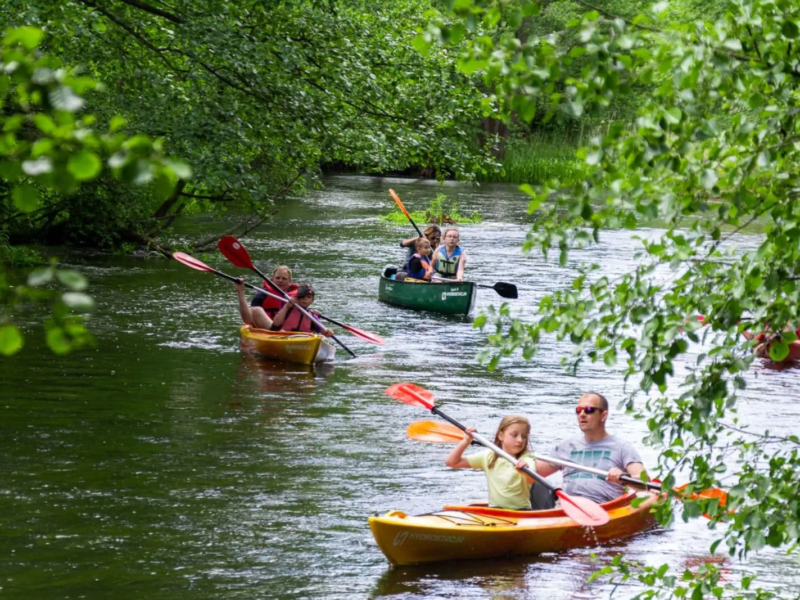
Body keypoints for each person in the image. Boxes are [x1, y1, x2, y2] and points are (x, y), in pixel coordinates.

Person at [533, 392, 647, 507]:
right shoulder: (566, 446)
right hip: (568, 508)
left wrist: (624, 478)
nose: (582, 414)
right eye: (578, 410)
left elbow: (645, 481)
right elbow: (534, 472)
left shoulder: (622, 447)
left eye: (588, 410)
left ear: (603, 415)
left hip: (606, 508)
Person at [445, 415, 536, 510]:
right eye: (514, 435)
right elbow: (452, 462)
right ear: (501, 436)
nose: (520, 440)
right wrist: (466, 440)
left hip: (522, 512)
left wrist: (524, 471)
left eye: (524, 436)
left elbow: (531, 479)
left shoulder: (526, 458)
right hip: (495, 511)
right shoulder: (489, 456)